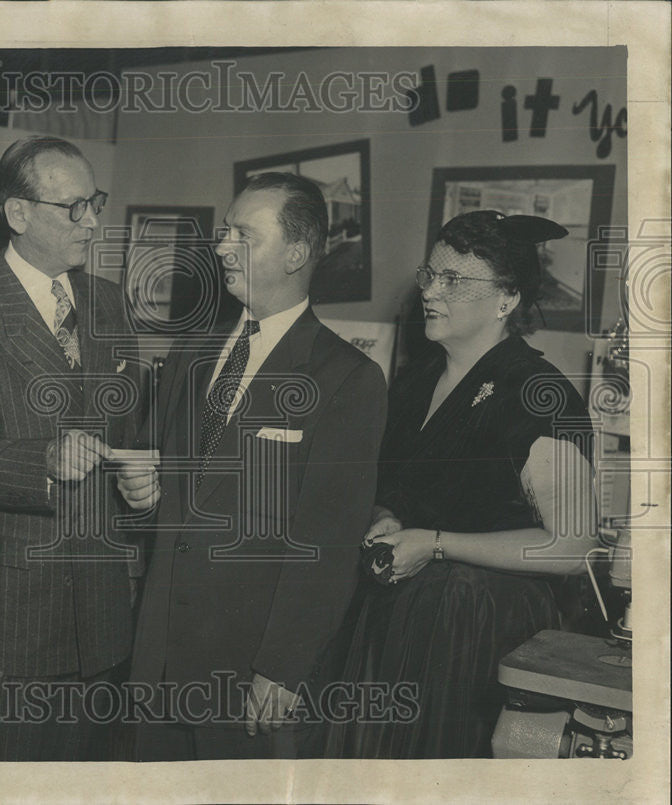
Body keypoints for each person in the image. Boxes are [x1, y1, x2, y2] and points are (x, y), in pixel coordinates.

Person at [117, 172, 387, 760]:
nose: (221, 247)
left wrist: (283, 668)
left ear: (295, 253)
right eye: (224, 231)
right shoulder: (189, 351)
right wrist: (143, 497)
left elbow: (329, 541)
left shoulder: (346, 379)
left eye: (243, 235)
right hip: (158, 660)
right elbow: (171, 500)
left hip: (249, 674)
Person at [326, 210, 598, 759]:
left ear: (506, 299)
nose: (431, 291)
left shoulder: (537, 393)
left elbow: (575, 547)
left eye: (455, 280)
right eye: (431, 274)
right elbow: (401, 485)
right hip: (398, 618)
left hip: (478, 630)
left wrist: (437, 542)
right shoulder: (417, 378)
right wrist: (387, 517)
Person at [0, 136, 142, 761]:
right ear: (19, 215)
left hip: (96, 616)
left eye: (95, 202)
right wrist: (38, 461)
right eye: (74, 207)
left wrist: (143, 476)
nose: (92, 221)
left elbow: (128, 430)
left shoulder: (108, 303)